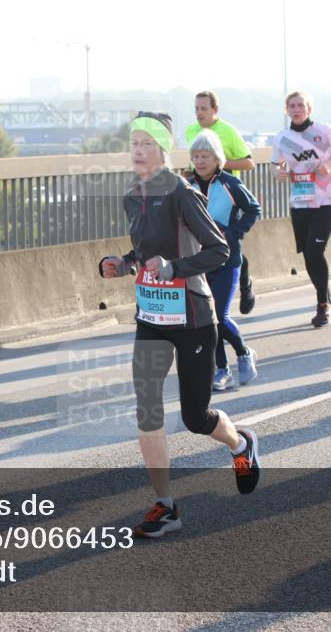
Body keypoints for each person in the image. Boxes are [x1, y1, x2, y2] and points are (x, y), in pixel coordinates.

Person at [99, 112, 261, 538]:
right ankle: (166, 506)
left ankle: (240, 443)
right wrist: (123, 263)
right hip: (152, 316)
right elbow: (143, 250)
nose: (137, 150)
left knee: (195, 416)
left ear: (163, 150)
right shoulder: (133, 196)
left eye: (146, 144)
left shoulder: (183, 193)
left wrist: (173, 268)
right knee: (147, 409)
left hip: (192, 316)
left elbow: (218, 250)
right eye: (133, 142)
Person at [188, 129, 262, 390]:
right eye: (196, 155)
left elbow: (254, 209)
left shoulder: (230, 183)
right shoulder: (187, 185)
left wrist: (232, 232)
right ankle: (222, 370)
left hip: (228, 260)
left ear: (217, 158)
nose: (200, 161)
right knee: (208, 319)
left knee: (219, 314)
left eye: (205, 155)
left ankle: (243, 353)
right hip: (198, 261)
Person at [270, 91, 331, 327]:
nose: (296, 109)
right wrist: (278, 173)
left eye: (300, 105)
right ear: (287, 110)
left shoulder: (323, 131)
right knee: (308, 255)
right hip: (300, 202)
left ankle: (322, 307)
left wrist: (328, 164)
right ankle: (329, 298)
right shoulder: (282, 138)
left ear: (309, 109)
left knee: (316, 252)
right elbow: (275, 165)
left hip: (325, 200)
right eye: (291, 106)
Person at [184, 91, 258, 315]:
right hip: (202, 193)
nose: (199, 113)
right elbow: (193, 161)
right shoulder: (191, 131)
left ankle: (244, 283)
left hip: (227, 196)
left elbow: (249, 163)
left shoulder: (228, 131)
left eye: (204, 109)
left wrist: (219, 165)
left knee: (229, 244)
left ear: (215, 110)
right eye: (196, 108)